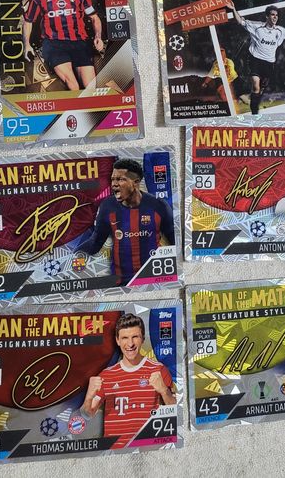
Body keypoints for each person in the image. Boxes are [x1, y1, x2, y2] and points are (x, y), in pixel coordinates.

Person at [81, 313, 175, 448]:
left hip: (148, 448)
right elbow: (88, 414)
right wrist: (89, 397)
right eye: (125, 338)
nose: (130, 344)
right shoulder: (106, 375)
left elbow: (176, 412)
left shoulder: (158, 370)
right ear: (117, 340)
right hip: (114, 451)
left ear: (143, 338)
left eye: (135, 337)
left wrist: (164, 391)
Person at [80, 158, 175, 285]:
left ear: (136, 182)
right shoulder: (107, 206)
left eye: (120, 179)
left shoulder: (159, 206)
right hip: (120, 283)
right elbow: (95, 243)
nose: (114, 184)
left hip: (153, 280)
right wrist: (73, 257)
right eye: (113, 179)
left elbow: (175, 242)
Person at [22, 0, 104, 89]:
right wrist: (27, 44)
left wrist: (98, 37)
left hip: (79, 43)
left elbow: (94, 18)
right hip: (54, 45)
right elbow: (28, 21)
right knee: (73, 86)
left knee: (90, 87)